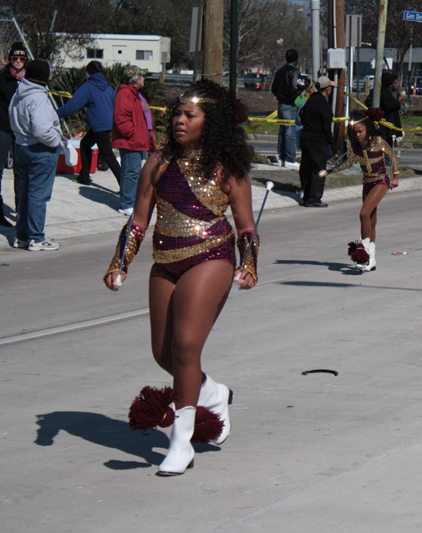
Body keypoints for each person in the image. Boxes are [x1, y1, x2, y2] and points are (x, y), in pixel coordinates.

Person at [102, 80, 258, 476]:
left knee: (186, 346)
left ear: (211, 122)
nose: (179, 121)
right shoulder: (158, 162)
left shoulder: (227, 168)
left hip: (210, 258)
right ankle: (213, 392)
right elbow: (138, 221)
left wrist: (249, 262)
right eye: (177, 114)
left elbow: (245, 226)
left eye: (190, 115)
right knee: (164, 354)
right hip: (164, 261)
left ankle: (181, 441)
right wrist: (120, 262)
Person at [321, 109, 399, 272]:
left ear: (367, 128)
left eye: (360, 131)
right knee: (371, 220)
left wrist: (395, 177)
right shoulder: (355, 146)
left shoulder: (378, 141)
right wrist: (329, 171)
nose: (357, 135)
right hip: (367, 183)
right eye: (354, 132)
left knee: (363, 213)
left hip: (381, 182)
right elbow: (348, 163)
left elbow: (393, 157)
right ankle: (372, 259)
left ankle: (364, 255)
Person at [9, 59, 68, 251]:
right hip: (40, 150)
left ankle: (22, 236)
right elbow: (42, 130)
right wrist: (57, 141)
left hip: (21, 146)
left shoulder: (19, 92)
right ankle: (36, 238)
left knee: (25, 193)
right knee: (38, 195)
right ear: (43, 75)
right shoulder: (38, 98)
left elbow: (12, 116)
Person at [57, 61, 122, 187]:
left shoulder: (88, 87)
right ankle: (84, 177)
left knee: (108, 154)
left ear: (88, 73)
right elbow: (115, 103)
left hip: (99, 125)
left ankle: (125, 185)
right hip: (108, 124)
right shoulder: (108, 87)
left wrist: (55, 114)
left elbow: (71, 106)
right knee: (85, 144)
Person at [112, 65, 155, 216]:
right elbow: (121, 117)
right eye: (142, 76)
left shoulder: (138, 94)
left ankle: (133, 201)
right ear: (134, 78)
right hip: (132, 140)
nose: (144, 79)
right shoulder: (125, 93)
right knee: (130, 172)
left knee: (137, 172)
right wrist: (132, 133)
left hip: (141, 139)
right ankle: (126, 204)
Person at [0, 41, 27, 227]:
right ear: (9, 59)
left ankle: (21, 211)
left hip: (22, 131)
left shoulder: (29, 79)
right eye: (14, 58)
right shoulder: (2, 78)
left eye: (21, 58)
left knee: (21, 171)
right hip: (3, 127)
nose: (18, 61)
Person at [299, 76, 335, 207]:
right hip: (317, 141)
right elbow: (327, 129)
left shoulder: (309, 102)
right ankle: (314, 199)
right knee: (319, 170)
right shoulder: (324, 105)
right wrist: (333, 146)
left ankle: (306, 197)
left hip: (305, 138)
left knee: (306, 168)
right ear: (328, 89)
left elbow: (302, 118)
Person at [271, 49, 303, 169]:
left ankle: (282, 157)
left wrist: (280, 96)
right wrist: (301, 90)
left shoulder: (279, 71)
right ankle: (290, 159)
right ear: (296, 59)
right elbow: (295, 88)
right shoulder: (294, 72)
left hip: (281, 104)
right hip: (290, 105)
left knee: (282, 132)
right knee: (290, 133)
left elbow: (274, 88)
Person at [378, 72, 406, 148]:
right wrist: (399, 100)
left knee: (390, 143)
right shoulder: (385, 93)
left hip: (392, 121)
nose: (397, 85)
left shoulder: (393, 93)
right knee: (387, 143)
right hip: (387, 122)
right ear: (390, 84)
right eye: (395, 83)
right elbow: (388, 107)